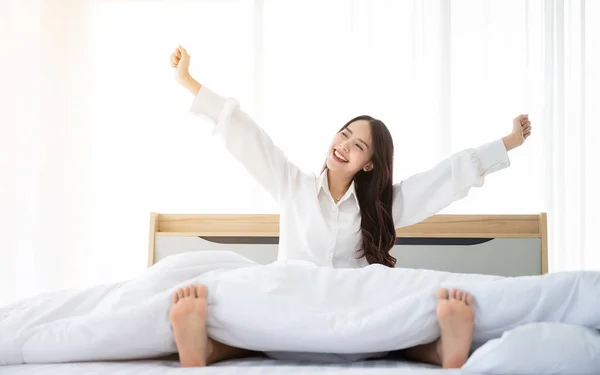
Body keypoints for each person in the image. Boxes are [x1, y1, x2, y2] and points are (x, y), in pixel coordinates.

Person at [166, 45, 533, 369]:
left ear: (369, 164)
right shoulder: (293, 185)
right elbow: (245, 134)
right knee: (249, 297)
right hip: (292, 305)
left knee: (395, 302)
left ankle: (443, 350)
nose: (344, 146)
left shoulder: (382, 206)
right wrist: (189, 81)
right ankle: (203, 349)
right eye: (344, 135)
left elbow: (445, 178)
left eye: (358, 146)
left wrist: (508, 142)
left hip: (353, 313)